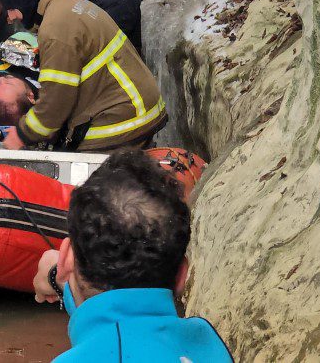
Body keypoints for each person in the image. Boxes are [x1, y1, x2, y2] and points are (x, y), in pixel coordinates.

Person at [31, 150, 233, 362]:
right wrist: (58, 278)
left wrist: (61, 273)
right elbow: (124, 314)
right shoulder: (205, 342)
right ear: (182, 274)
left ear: (66, 260)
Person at [0, 0, 166, 151]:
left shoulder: (55, 30)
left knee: (83, 171)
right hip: (135, 104)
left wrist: (22, 134)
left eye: (11, 9)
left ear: (23, 3)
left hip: (123, 115)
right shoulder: (66, 5)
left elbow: (56, 102)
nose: (11, 17)